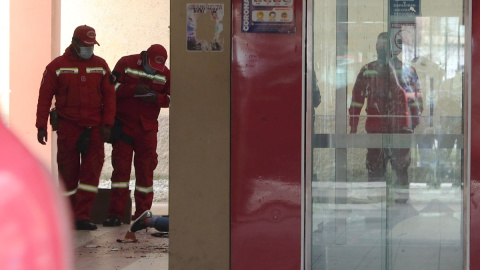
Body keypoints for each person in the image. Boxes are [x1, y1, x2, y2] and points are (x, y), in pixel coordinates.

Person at [35, 25, 116, 230]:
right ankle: (66, 216)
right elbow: (44, 97)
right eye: (86, 45)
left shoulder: (100, 65)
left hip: (95, 128)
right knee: (67, 174)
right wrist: (41, 125)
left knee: (91, 175)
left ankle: (82, 217)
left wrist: (108, 124)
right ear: (75, 42)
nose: (89, 49)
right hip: (68, 128)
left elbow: (109, 96)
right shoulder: (56, 67)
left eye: (92, 45)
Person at [348, 32, 422, 203]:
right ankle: (378, 202)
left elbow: (416, 102)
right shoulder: (369, 70)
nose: (380, 48)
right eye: (379, 44)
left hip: (399, 130)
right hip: (379, 130)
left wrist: (413, 124)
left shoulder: (406, 71)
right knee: (376, 167)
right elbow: (356, 101)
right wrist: (353, 125)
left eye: (383, 45)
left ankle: (399, 203)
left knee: (400, 168)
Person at [103, 44, 170, 226]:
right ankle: (116, 214)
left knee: (145, 173)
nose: (154, 71)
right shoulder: (126, 63)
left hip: (147, 129)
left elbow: (172, 97)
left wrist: (156, 98)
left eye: (158, 69)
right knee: (121, 173)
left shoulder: (165, 73)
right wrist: (133, 89)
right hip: (124, 126)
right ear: (145, 56)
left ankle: (142, 214)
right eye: (152, 66)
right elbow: (111, 89)